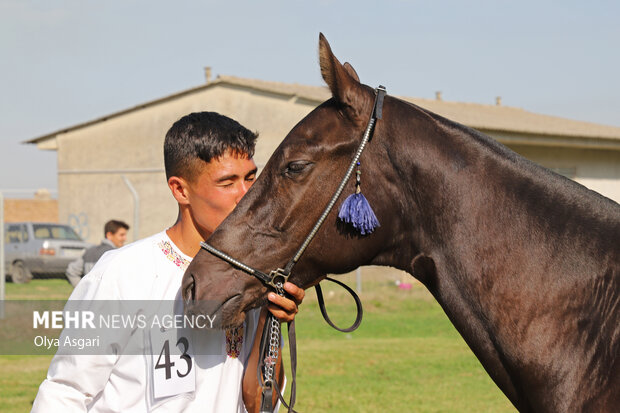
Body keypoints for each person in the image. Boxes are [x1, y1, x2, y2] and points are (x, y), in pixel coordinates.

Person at [32, 112, 305, 412]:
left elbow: (258, 403)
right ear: (180, 189)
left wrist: (271, 317)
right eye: (227, 182)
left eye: (251, 178)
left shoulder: (253, 279)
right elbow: (66, 392)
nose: (247, 195)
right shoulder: (122, 274)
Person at [65, 220, 130, 287]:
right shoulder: (114, 254)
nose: (125, 238)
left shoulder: (90, 251)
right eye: (122, 235)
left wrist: (82, 291)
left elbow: (71, 271)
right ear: (109, 235)